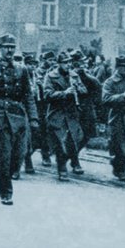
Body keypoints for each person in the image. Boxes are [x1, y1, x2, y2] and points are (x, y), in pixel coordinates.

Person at [0, 34, 37, 205]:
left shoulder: (22, 69)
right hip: (0, 117)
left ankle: (8, 175)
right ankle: (6, 192)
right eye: (6, 47)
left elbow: (28, 95)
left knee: (19, 154)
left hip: (18, 115)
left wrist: (33, 117)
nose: (9, 50)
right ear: (0, 49)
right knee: (4, 155)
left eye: (12, 47)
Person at [42, 52, 86, 181]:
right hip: (57, 114)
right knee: (61, 143)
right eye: (65, 63)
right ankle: (62, 169)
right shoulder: (50, 76)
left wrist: (78, 88)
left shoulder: (74, 75)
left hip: (72, 114)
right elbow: (47, 94)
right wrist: (64, 93)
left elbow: (84, 91)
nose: (68, 65)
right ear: (59, 64)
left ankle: (73, 161)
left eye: (69, 62)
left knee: (75, 140)